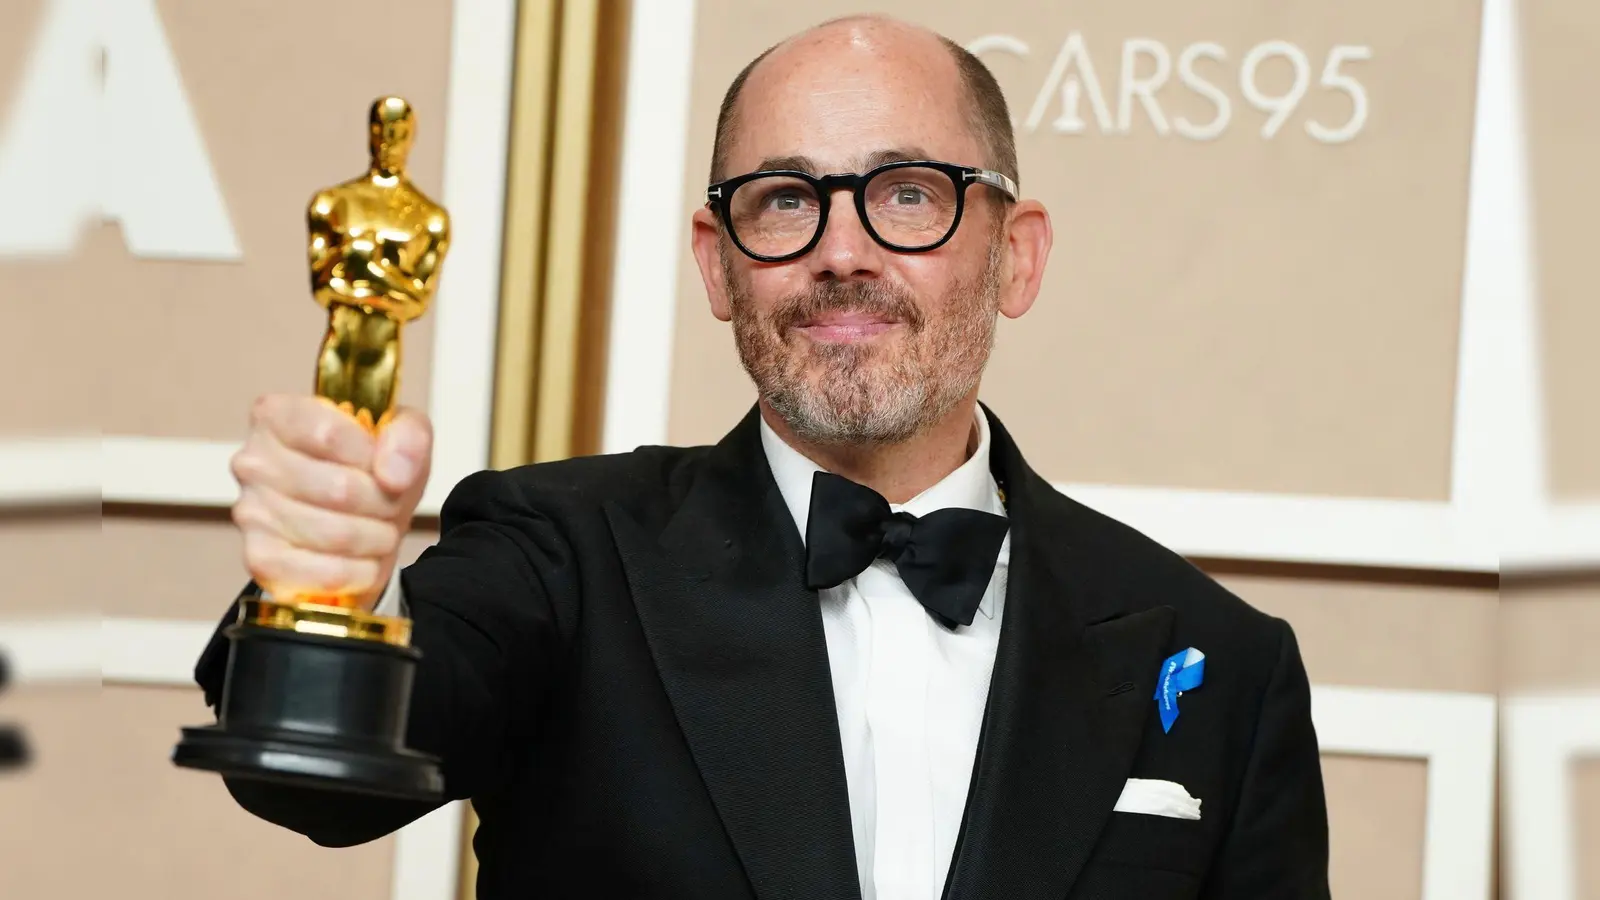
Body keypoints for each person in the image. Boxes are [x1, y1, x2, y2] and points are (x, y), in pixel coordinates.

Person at [197, 15, 1330, 900]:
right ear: (717, 264)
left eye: (906, 194)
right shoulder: (560, 556)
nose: (843, 252)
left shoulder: (1216, 659)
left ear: (1014, 256)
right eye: (785, 199)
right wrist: (324, 592)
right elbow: (313, 785)